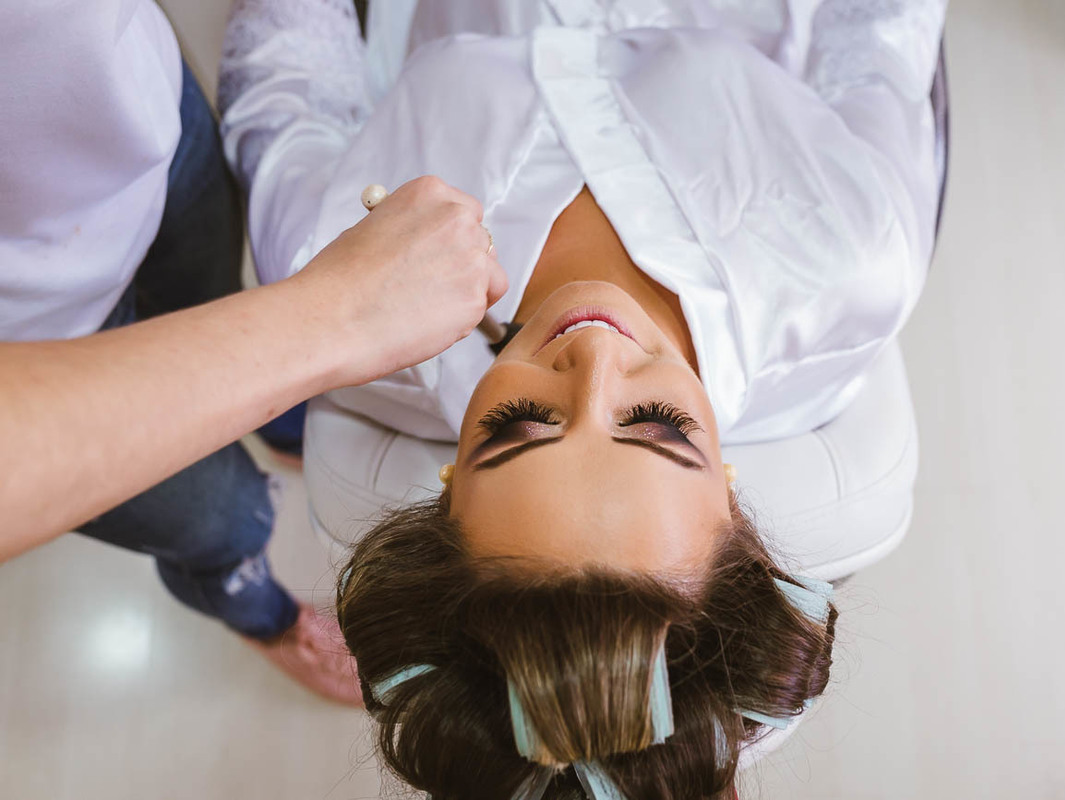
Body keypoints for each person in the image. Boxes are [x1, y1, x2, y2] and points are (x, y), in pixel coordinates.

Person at [219, 0, 945, 795]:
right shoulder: (855, 261)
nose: (594, 354)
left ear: (448, 485)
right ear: (734, 506)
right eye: (659, 426)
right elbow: (876, 37)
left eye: (521, 423)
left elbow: (289, 76)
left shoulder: (333, 282)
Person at [0, 1, 502, 706]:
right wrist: (330, 318)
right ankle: (263, 617)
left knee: (211, 286)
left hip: (130, 113)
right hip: (28, 366)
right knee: (226, 518)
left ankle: (277, 419)